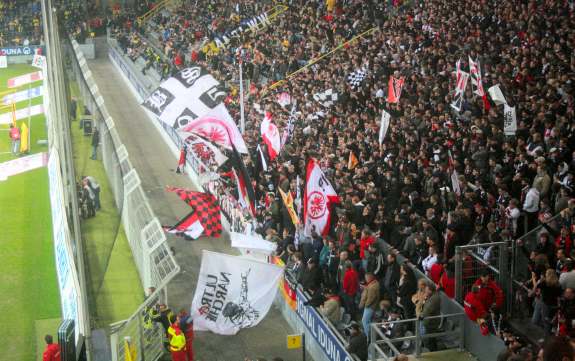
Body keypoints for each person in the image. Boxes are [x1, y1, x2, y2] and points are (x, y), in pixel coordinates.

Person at [420, 283, 441, 351]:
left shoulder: (434, 298)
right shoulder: (432, 296)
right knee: (431, 339)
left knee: (429, 340)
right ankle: (433, 350)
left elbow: (428, 309)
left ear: (430, 291)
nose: (425, 292)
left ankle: (431, 351)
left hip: (431, 322)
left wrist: (422, 315)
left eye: (426, 290)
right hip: (429, 321)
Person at [359, 272, 380, 337]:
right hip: (370, 306)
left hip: (370, 307)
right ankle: (370, 334)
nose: (365, 279)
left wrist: (365, 305)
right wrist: (365, 288)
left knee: (364, 321)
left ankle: (369, 336)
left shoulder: (373, 286)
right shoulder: (372, 284)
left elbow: (371, 298)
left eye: (366, 277)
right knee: (368, 321)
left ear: (369, 277)